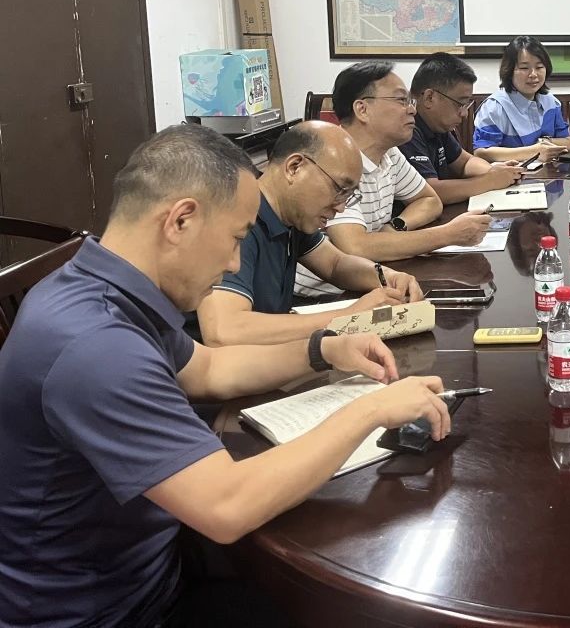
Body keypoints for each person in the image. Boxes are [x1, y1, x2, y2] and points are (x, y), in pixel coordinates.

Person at [0, 125, 452, 628]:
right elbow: (226, 506)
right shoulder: (96, 345)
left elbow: (208, 368)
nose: (236, 261)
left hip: (156, 558)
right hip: (112, 611)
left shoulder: (109, 288)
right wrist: (369, 410)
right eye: (236, 238)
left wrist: (325, 350)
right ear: (181, 221)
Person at [194, 121, 423, 347]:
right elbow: (225, 331)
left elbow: (334, 264)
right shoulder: (239, 219)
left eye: (349, 195)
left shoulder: (291, 217)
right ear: (294, 167)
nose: (341, 207)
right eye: (339, 189)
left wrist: (387, 277)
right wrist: (349, 315)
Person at [294, 61, 491, 296]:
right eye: (401, 100)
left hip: (377, 279)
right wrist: (449, 234)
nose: (412, 110)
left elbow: (430, 200)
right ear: (362, 109)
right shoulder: (332, 161)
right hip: (328, 296)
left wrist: (396, 226)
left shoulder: (389, 154)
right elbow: (356, 246)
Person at [402, 52, 524, 203]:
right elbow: (428, 192)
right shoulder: (406, 129)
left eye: (467, 105)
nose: (465, 114)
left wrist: (496, 172)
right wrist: (490, 180)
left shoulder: (437, 125)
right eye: (460, 104)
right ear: (429, 97)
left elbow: (465, 162)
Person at [471, 36, 570, 164]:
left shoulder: (551, 102)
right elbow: (481, 153)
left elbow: (567, 143)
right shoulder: (494, 107)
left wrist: (543, 143)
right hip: (510, 174)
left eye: (539, 67)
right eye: (524, 68)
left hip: (547, 174)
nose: (533, 74)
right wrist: (534, 152)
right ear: (509, 70)